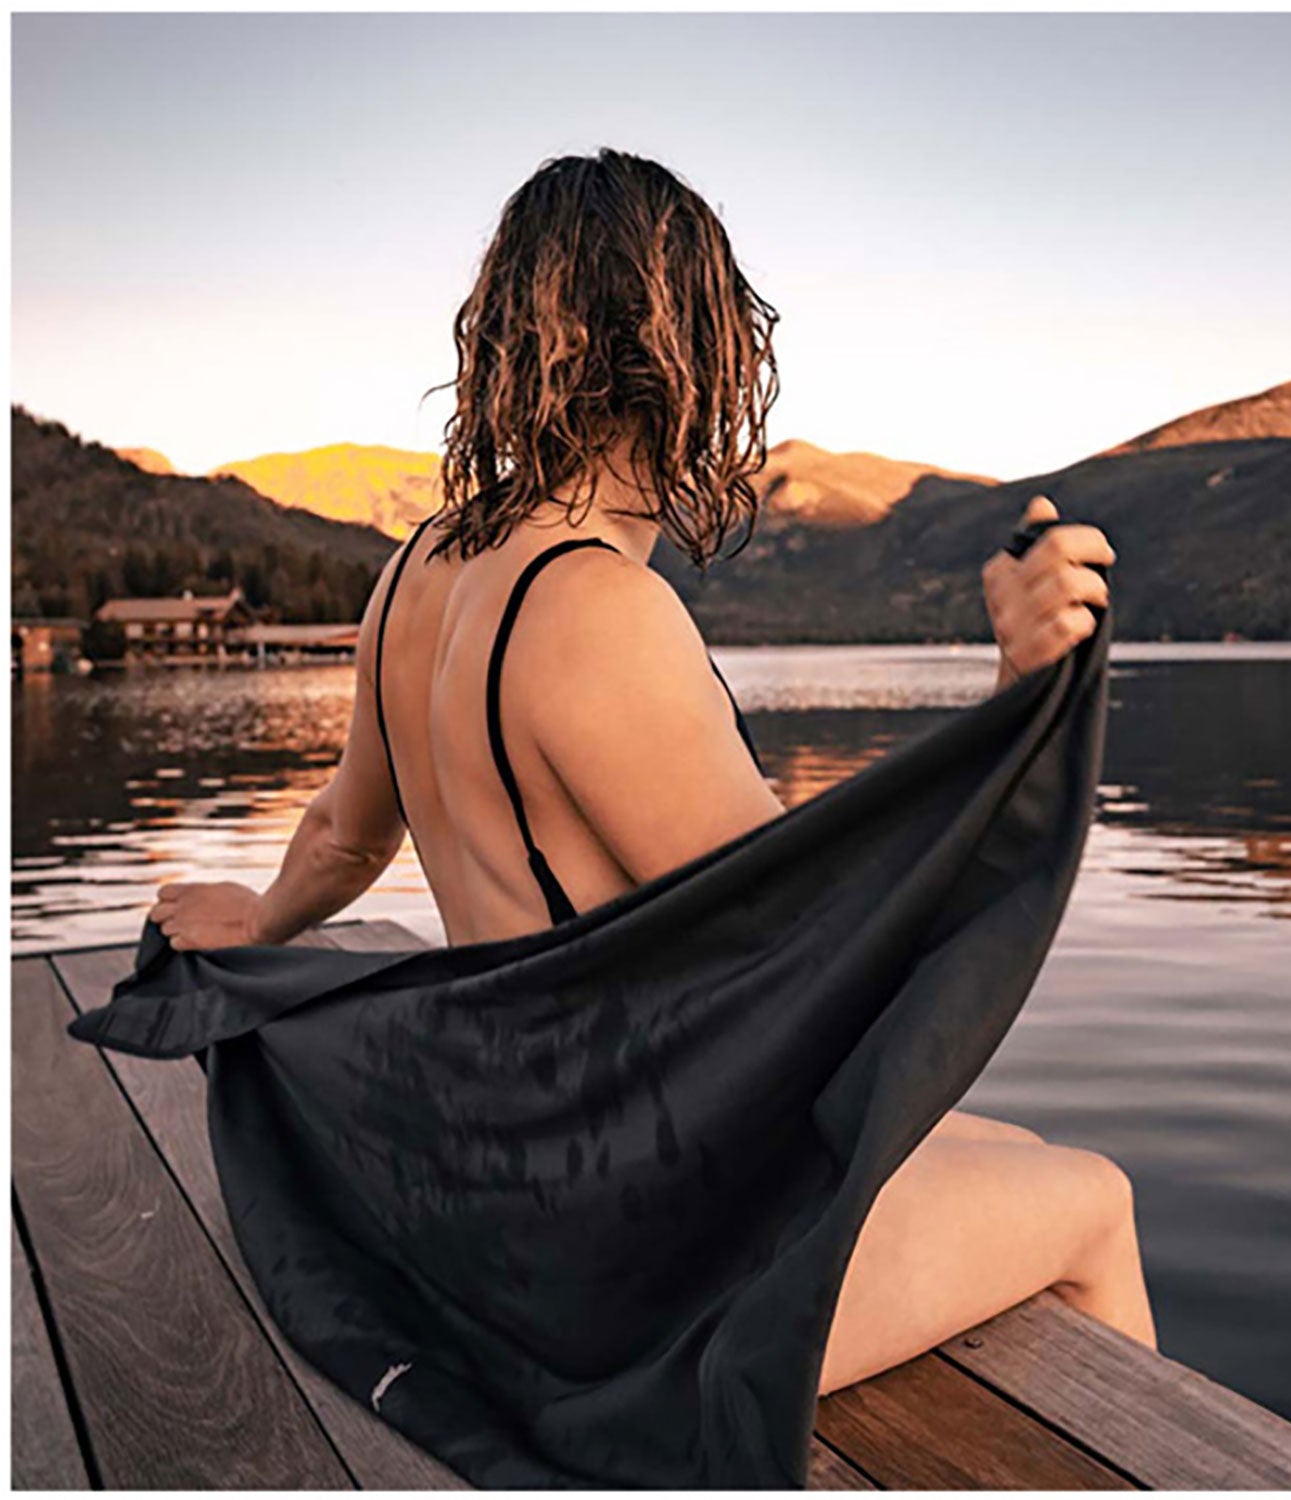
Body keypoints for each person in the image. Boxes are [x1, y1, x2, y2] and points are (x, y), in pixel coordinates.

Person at [148, 148, 1156, 1398]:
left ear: (511, 338)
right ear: (694, 355)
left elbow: (347, 836)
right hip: (622, 1259)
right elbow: (819, 961)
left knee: (1007, 1145)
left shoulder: (415, 569)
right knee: (1092, 1201)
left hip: (497, 1184)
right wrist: (1019, 698)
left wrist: (259, 920)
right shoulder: (599, 610)